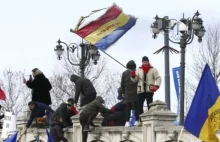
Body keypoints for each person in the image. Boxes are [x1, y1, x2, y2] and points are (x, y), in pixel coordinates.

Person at [130, 56, 161, 125]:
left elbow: (158, 78)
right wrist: (133, 76)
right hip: (140, 90)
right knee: (139, 106)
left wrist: (156, 86)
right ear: (142, 62)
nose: (145, 63)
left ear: (148, 62)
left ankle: (150, 119)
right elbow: (135, 80)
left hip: (149, 90)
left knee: (150, 105)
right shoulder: (138, 69)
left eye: (146, 62)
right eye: (144, 62)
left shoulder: (153, 69)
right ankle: (140, 120)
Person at [121, 60, 139, 127]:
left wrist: (123, 92)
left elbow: (122, 84)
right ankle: (137, 121)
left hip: (127, 93)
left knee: (127, 108)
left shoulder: (124, 73)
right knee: (136, 107)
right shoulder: (136, 72)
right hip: (135, 92)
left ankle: (127, 122)